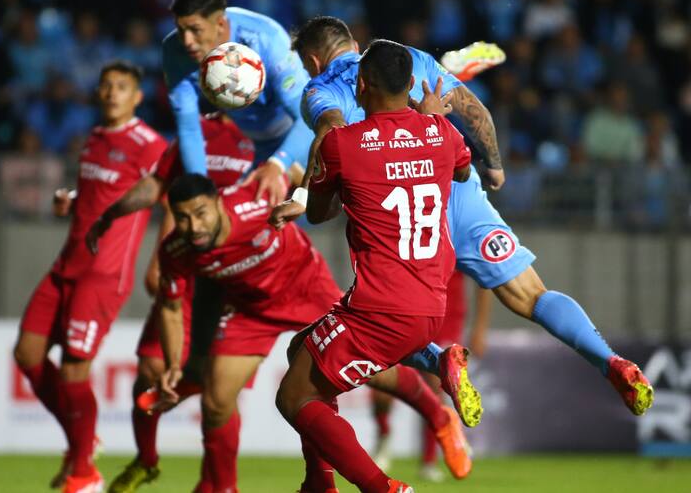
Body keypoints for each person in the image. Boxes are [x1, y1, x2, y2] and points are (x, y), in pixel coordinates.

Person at [270, 16, 654, 418]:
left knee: (389, 316)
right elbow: (475, 112)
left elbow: (329, 132)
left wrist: (304, 192)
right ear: (351, 41)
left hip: (398, 214)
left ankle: (440, 362)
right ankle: (610, 361)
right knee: (532, 294)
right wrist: (494, 165)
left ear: (312, 61)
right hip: (454, 188)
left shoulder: (321, 89)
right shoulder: (408, 60)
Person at [149, 173, 471, 493]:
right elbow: (170, 309)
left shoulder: (254, 200)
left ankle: (437, 417)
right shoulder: (177, 249)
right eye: (182, 218)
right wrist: (174, 365)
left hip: (304, 288)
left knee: (368, 374)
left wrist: (295, 183)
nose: (194, 227)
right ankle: (226, 487)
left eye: (201, 213)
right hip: (248, 308)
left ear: (218, 203)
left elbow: (306, 170)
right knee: (217, 399)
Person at [275, 39, 473, 493]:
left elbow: (320, 214)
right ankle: (318, 480)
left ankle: (382, 488)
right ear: (409, 85)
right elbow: (460, 170)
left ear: (362, 84)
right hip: (431, 303)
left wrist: (339, 180)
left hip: (380, 307)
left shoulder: (343, 143)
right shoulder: (441, 132)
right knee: (300, 352)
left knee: (294, 396)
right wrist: (429, 119)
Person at [12, 61, 168, 493]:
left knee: (74, 371)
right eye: (106, 86)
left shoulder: (150, 144)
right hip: (67, 264)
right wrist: (73, 201)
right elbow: (105, 192)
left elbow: (170, 198)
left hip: (104, 272)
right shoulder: (95, 139)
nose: (112, 93)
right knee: (27, 353)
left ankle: (84, 473)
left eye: (122, 87)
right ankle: (82, 442)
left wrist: (160, 260)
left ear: (137, 97)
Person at [102, 113, 256, 493]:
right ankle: (146, 460)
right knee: (148, 375)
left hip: (231, 276)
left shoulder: (266, 131)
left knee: (218, 390)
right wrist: (115, 215)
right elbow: (162, 188)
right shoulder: (196, 128)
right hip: (186, 265)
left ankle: (218, 481)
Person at [163, 0, 314, 205]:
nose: (187, 41)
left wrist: (279, 163)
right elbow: (189, 127)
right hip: (251, 144)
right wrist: (203, 190)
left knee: (284, 216)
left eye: (195, 30)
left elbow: (308, 119)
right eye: (181, 29)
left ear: (220, 24)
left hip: (297, 141)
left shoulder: (267, 39)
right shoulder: (174, 51)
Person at [371, 271, 492, 481]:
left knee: (437, 385)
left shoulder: (455, 239)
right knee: (381, 385)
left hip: (446, 315)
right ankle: (383, 435)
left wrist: (480, 326)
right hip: (405, 311)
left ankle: (429, 461)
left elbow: (484, 277)